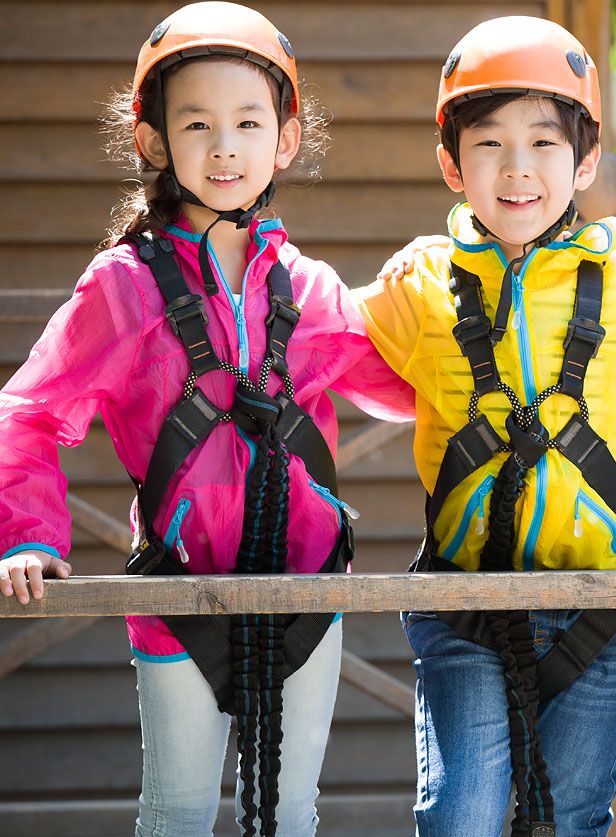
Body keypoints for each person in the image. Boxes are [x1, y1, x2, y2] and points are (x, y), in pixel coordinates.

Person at [0, 3, 413, 834]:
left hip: (305, 590)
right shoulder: (122, 287)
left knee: (289, 813)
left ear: (284, 141)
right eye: (197, 122)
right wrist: (26, 534)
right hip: (177, 593)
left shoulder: (311, 287)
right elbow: (29, 411)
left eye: (248, 122)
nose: (224, 145)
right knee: (177, 811)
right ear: (155, 142)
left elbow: (410, 383)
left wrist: (437, 295)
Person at [354, 16, 616, 837]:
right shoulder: (419, 285)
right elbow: (311, 350)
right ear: (451, 164)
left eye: (543, 142)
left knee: (570, 819)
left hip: (598, 606)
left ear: (585, 160)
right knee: (463, 815)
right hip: (464, 605)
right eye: (488, 144)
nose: (517, 168)